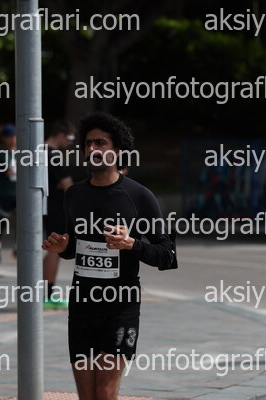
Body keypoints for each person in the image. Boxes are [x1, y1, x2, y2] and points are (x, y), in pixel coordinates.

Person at [43, 112, 177, 400]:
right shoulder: (74, 194)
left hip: (120, 307)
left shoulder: (139, 196)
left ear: (117, 150)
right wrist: (62, 248)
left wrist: (132, 244)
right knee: (87, 396)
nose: (92, 149)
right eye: (88, 144)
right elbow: (74, 247)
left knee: (104, 393)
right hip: (82, 305)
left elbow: (167, 255)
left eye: (100, 143)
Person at [42, 121, 76, 309]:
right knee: (56, 249)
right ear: (60, 134)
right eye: (70, 138)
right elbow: (68, 185)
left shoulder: (38, 151)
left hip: (44, 206)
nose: (71, 143)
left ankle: (44, 293)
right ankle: (47, 295)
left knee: (52, 249)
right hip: (56, 207)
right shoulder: (53, 155)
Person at [0, 124, 17, 263]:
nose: (12, 139)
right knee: (2, 221)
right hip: (6, 192)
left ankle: (17, 247)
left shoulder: (22, 154)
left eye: (14, 136)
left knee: (21, 220)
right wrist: (4, 172)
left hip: (19, 193)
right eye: (9, 137)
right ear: (4, 138)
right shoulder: (1, 154)